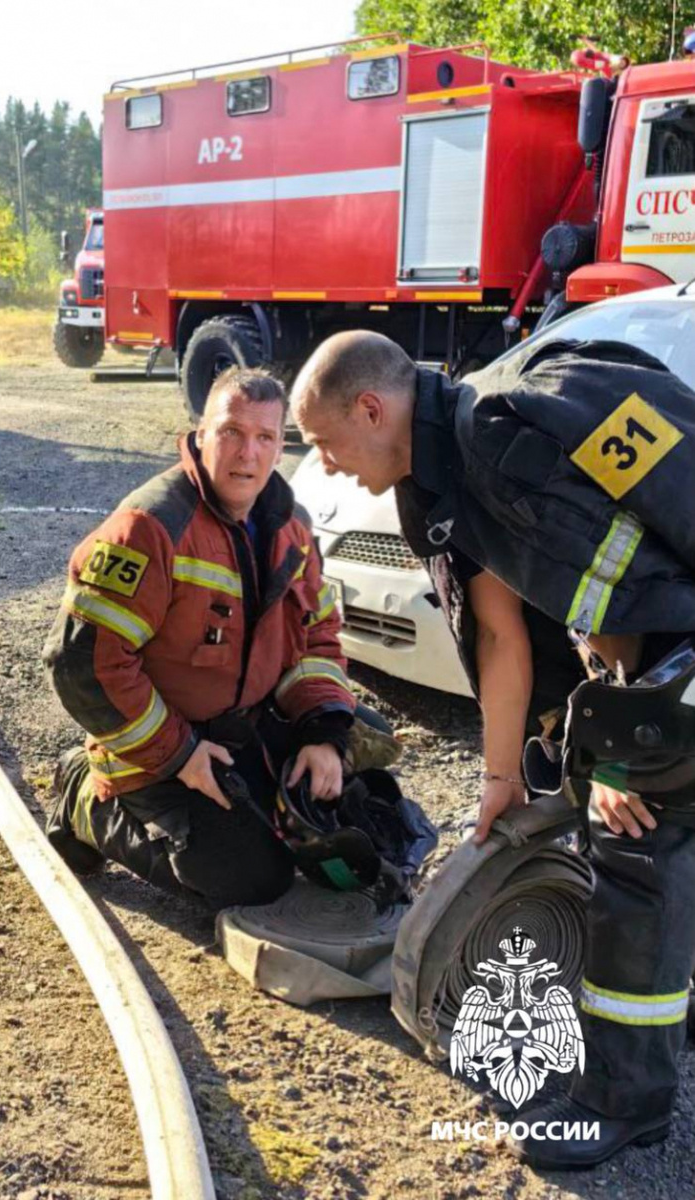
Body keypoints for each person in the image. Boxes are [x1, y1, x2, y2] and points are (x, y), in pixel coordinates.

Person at [290, 329, 695, 1169]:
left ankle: (624, 1102)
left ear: (371, 409)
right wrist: (502, 776)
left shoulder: (514, 429)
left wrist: (611, 759)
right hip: (656, 653)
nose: (324, 467)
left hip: (675, 651)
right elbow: (502, 637)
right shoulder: (439, 480)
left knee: (636, 849)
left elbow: (631, 586)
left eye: (324, 444)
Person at [43, 366, 359, 910]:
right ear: (199, 433)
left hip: (241, 726)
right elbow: (82, 666)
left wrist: (322, 734)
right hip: (156, 747)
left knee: (358, 775)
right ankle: (84, 799)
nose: (248, 454)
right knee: (249, 878)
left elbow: (317, 636)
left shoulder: (293, 526)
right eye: (231, 432)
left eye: (265, 437)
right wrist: (180, 754)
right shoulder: (150, 527)